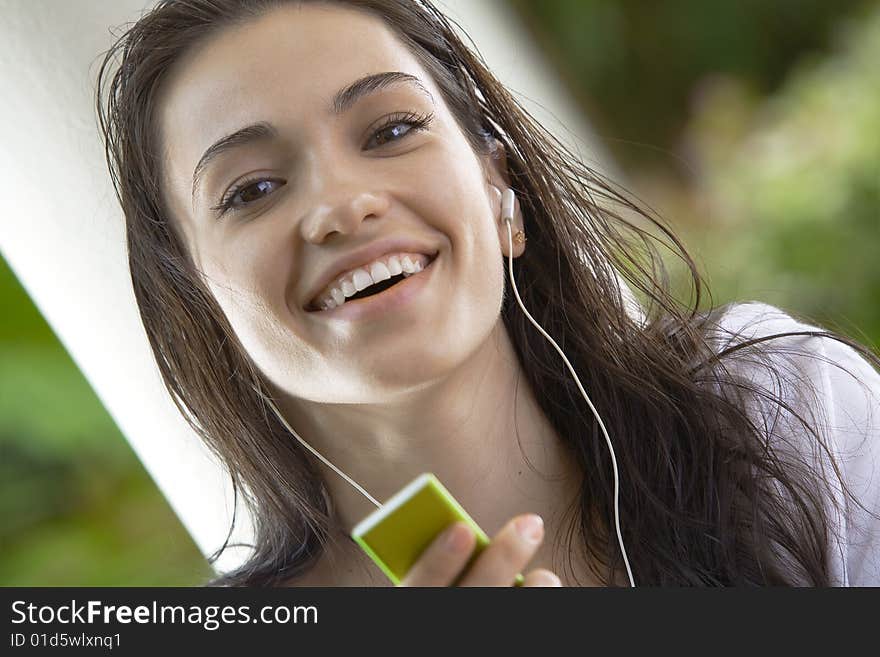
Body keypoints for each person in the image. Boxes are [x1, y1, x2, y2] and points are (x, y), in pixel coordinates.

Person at [95, 0, 880, 586]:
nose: (341, 205)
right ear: (196, 300)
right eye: (253, 188)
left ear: (497, 185)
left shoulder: (786, 407)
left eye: (391, 130)